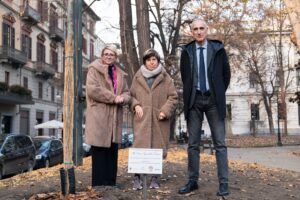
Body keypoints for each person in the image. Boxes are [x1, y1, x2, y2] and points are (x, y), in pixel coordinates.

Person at [178, 19, 231, 197]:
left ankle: (224, 183)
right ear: (191, 32)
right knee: (192, 144)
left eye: (202, 28)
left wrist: (217, 92)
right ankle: (192, 181)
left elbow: (226, 74)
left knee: (220, 144)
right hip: (194, 101)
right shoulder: (187, 51)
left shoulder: (218, 49)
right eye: (195, 29)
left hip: (213, 101)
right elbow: (185, 76)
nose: (199, 32)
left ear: (207, 30)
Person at [130, 49, 178, 190]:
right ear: (145, 61)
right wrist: (136, 105)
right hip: (142, 119)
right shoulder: (137, 77)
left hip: (159, 120)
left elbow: (173, 97)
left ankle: (155, 179)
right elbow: (130, 95)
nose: (152, 62)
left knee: (157, 148)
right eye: (149, 60)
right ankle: (137, 178)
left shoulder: (166, 77)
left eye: (154, 60)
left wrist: (165, 111)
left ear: (158, 61)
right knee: (139, 148)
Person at [85, 45, 131, 187]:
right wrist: (113, 98)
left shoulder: (121, 74)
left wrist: (123, 98)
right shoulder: (93, 69)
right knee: (99, 151)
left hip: (115, 118)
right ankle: (98, 184)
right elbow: (93, 90)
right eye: (106, 54)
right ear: (102, 55)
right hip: (99, 116)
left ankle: (111, 182)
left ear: (115, 57)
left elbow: (127, 93)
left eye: (112, 54)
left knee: (112, 151)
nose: (109, 56)